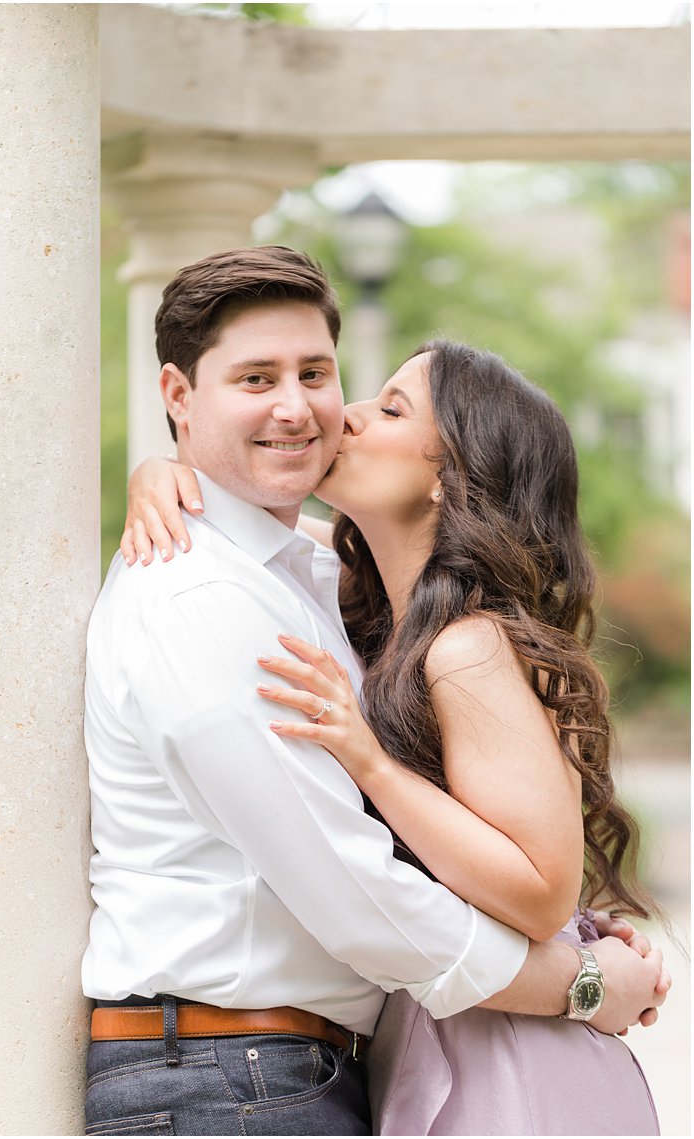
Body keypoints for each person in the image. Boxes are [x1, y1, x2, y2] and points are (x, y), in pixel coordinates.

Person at [82, 246, 669, 1136]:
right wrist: (578, 983)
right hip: (230, 1077)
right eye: (254, 377)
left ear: (447, 471)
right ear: (178, 395)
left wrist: (573, 945)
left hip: (272, 1073)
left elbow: (501, 863)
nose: (317, 411)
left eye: (319, 373)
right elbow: (357, 888)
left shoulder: (324, 587)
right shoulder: (212, 592)